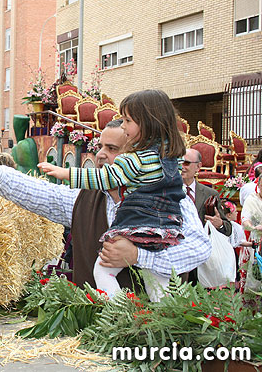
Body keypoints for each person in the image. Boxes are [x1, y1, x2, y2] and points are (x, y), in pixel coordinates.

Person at [0, 118, 209, 296]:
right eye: (99, 147)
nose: (100, 155)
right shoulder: (85, 198)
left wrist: (138, 257)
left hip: (152, 338)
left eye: (112, 149)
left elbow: (200, 247)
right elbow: (44, 195)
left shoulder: (167, 198)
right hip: (93, 338)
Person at [37, 90, 188, 301]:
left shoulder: (134, 160)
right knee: (156, 279)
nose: (123, 126)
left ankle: (121, 313)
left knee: (103, 271)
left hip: (137, 224)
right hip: (166, 228)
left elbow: (105, 179)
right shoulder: (172, 157)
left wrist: (66, 173)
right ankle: (165, 318)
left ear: (147, 122)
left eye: (127, 120)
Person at [180, 148, 232, 236]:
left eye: (186, 163)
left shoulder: (210, 194)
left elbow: (228, 229)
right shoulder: (167, 192)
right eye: (179, 162)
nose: (181, 167)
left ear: (198, 166)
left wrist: (219, 224)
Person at [241, 175, 262, 293]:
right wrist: (253, 227)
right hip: (257, 242)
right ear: (258, 186)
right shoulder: (252, 200)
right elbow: (245, 220)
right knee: (255, 278)